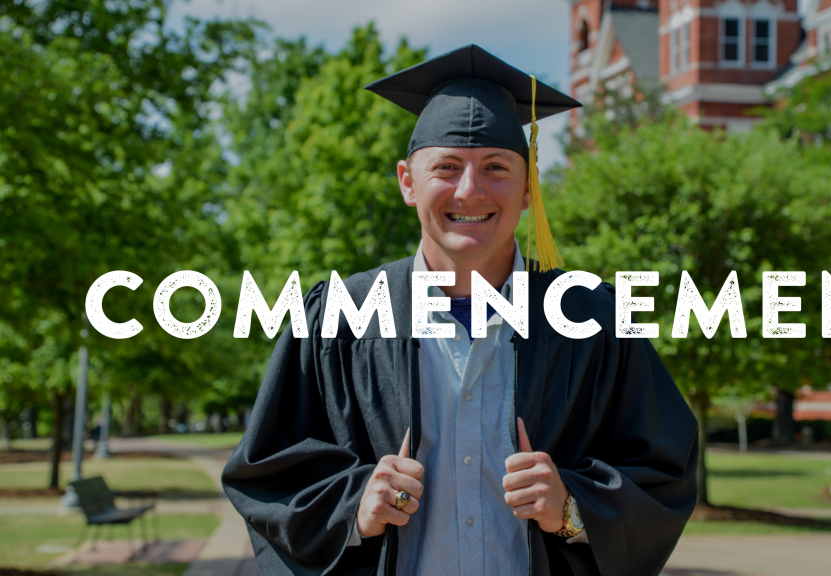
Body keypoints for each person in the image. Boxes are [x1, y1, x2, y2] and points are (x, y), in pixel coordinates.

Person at [222, 44, 698, 576]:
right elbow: (265, 475)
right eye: (447, 167)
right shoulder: (338, 316)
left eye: (496, 167)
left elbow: (666, 470)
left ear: (526, 190)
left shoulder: (594, 318)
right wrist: (354, 506)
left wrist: (573, 507)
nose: (470, 190)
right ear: (407, 182)